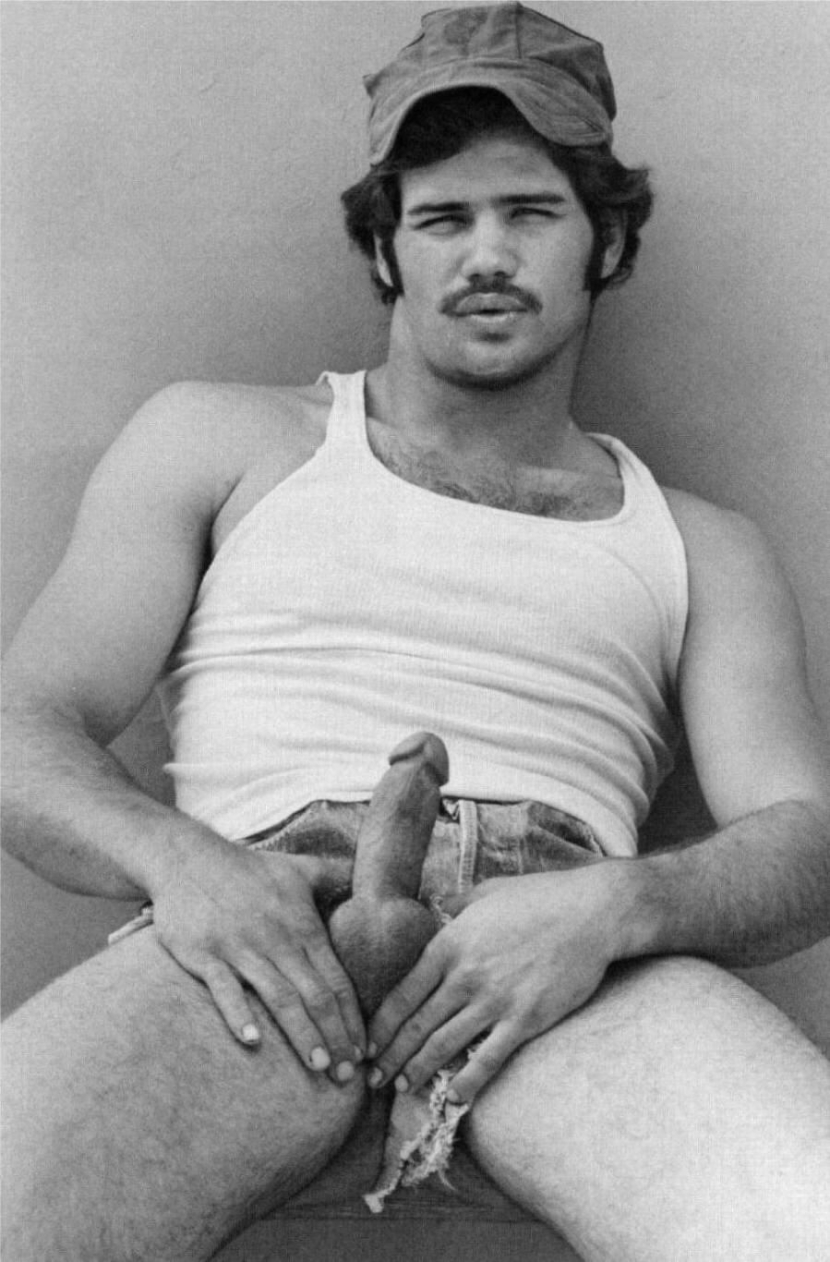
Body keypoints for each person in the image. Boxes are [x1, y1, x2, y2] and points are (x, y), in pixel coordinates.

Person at [3, 4, 830, 1258]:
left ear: (605, 240)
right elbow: (23, 724)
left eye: (530, 212)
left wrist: (617, 907)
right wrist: (183, 864)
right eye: (442, 218)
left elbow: (804, 838)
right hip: (259, 933)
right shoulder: (223, 439)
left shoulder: (701, 543)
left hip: (559, 959)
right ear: (384, 248)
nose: (485, 255)